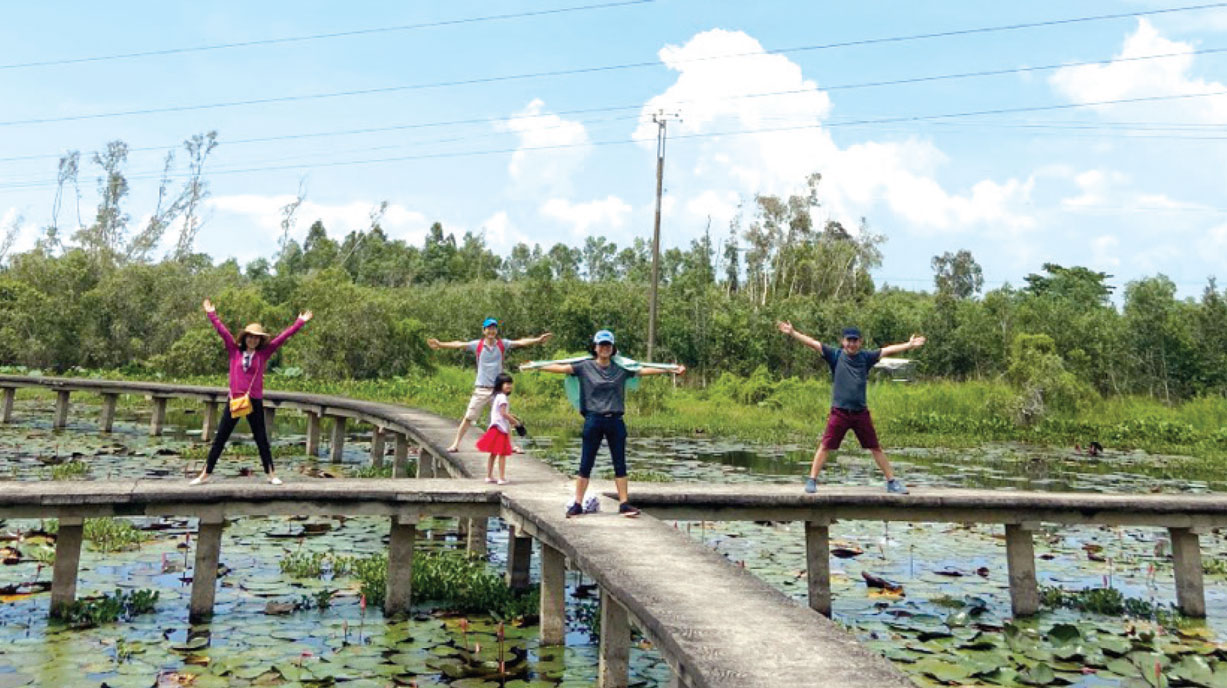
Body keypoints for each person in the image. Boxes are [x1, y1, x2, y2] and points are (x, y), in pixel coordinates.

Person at [521, 329, 685, 518]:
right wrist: (536, 366)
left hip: (615, 420)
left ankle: (624, 504)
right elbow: (561, 367)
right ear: (596, 347)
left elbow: (642, 370)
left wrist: (670, 369)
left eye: (608, 345)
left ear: (612, 348)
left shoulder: (621, 368)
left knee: (620, 464)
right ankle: (577, 504)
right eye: (602, 345)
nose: (605, 348)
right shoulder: (585, 366)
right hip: (593, 420)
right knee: (586, 463)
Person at [776, 322, 924, 495]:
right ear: (843, 341)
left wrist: (908, 345)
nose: (852, 344)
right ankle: (812, 480)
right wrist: (793, 333)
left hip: (860, 413)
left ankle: (892, 482)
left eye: (855, 341)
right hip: (839, 412)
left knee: (875, 447)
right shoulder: (835, 355)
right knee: (825, 446)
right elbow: (813, 343)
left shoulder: (866, 357)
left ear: (860, 342)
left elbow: (887, 350)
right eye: (849, 340)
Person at [190, 299, 312, 485]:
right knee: (220, 438)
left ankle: (271, 474)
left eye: (256, 337)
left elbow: (282, 338)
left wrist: (299, 322)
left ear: (260, 340)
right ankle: (205, 474)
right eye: (250, 337)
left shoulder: (263, 354)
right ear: (245, 337)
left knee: (261, 438)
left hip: (253, 400)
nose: (253, 340)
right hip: (235, 400)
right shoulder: (234, 351)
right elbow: (222, 332)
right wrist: (211, 313)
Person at [427, 318, 552, 452]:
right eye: (489, 328)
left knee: (504, 417)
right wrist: (440, 344)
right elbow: (459, 344)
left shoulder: (502, 344)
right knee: (468, 417)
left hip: (498, 390)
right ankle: (456, 444)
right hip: (481, 388)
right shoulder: (478, 345)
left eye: (494, 328)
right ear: (484, 330)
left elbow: (520, 342)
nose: (491, 331)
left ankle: (512, 445)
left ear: (496, 330)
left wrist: (538, 340)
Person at [475, 373, 519, 485]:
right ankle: (502, 478)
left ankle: (489, 476)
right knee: (502, 454)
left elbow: (501, 412)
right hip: (500, 428)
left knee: (493, 453)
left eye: (510, 384)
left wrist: (511, 416)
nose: (509, 386)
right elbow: (503, 413)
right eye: (507, 384)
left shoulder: (498, 396)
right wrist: (515, 422)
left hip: (494, 427)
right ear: (500, 385)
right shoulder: (503, 397)